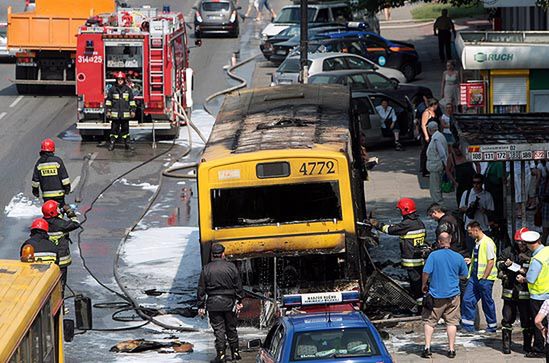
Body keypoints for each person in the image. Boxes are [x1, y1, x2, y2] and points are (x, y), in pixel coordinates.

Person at [421, 232, 468, 359]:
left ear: (439, 242)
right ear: (450, 240)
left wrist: (424, 285)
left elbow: (426, 272)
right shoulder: (458, 257)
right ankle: (451, 349)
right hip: (453, 295)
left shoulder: (433, 256)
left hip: (436, 295)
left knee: (430, 321)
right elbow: (464, 274)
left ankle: (427, 348)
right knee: (451, 322)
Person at [370, 198, 427, 303]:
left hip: (411, 261)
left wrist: (377, 224)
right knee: (420, 282)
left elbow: (391, 230)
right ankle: (422, 302)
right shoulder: (419, 223)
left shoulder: (407, 224)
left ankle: (420, 307)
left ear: (405, 210)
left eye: (400, 210)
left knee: (416, 284)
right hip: (420, 259)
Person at [197, 243, 244, 363]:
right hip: (229, 302)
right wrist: (239, 300)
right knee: (231, 328)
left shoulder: (206, 269)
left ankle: (221, 354)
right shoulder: (231, 267)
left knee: (219, 330)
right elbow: (238, 285)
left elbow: (201, 288)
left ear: (212, 255)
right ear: (223, 254)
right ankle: (235, 352)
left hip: (213, 303)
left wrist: (201, 305)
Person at [497, 227, 533, 354]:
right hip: (509, 290)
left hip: (524, 291)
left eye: (523, 243)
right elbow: (498, 263)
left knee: (526, 320)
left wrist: (526, 272)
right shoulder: (508, 251)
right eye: (518, 242)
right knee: (507, 318)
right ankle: (506, 346)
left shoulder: (532, 253)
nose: (521, 245)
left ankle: (527, 346)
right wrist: (503, 265)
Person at [517, 231, 549, 358]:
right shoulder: (547, 251)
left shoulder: (536, 260)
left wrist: (522, 278)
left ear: (530, 245)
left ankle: (539, 349)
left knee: (539, 323)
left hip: (538, 295)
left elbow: (530, 279)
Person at [461, 221, 498, 333]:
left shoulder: (488, 243)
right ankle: (468, 327)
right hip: (475, 277)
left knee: (487, 302)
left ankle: (492, 326)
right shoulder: (478, 242)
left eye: (470, 232)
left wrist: (484, 277)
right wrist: (471, 261)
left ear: (476, 230)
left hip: (484, 279)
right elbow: (478, 259)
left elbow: (490, 262)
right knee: (467, 299)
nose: (469, 235)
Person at [42, 200, 80, 295]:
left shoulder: (43, 223)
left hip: (47, 259)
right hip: (61, 259)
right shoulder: (61, 224)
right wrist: (70, 212)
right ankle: (60, 301)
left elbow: (53, 219)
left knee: (47, 283)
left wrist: (60, 211)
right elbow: (75, 223)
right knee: (60, 284)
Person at [459, 173, 494, 252]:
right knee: (471, 251)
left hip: (483, 228)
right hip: (469, 228)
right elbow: (461, 208)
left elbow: (491, 212)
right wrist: (470, 208)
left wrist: (482, 210)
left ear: (482, 183)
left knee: (484, 251)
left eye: (478, 183)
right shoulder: (467, 193)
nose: (476, 185)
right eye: (474, 183)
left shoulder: (487, 195)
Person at [32, 138, 71, 207]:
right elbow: (65, 179)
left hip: (47, 196)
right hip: (59, 195)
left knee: (49, 211)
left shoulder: (39, 163)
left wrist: (36, 192)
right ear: (53, 149)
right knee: (60, 211)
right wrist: (67, 189)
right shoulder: (57, 161)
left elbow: (35, 181)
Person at [105, 71, 136, 151]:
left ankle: (127, 144)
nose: (120, 81)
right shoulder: (112, 89)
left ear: (124, 80)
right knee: (113, 131)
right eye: (118, 79)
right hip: (115, 115)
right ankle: (112, 144)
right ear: (116, 80)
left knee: (125, 131)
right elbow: (109, 101)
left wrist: (133, 111)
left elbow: (132, 101)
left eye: (121, 79)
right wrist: (108, 111)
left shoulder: (128, 90)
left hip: (125, 115)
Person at [426, 121, 448, 204]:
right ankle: (438, 203)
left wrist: (446, 166)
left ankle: (439, 204)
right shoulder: (439, 136)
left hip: (436, 166)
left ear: (430, 129)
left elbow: (442, 153)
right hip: (436, 166)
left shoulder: (436, 138)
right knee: (435, 186)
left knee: (435, 187)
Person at [420, 99, 439, 177]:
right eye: (436, 105)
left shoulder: (434, 112)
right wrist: (426, 136)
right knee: (426, 151)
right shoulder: (426, 113)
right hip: (428, 134)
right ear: (433, 105)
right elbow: (423, 125)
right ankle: (424, 170)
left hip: (434, 133)